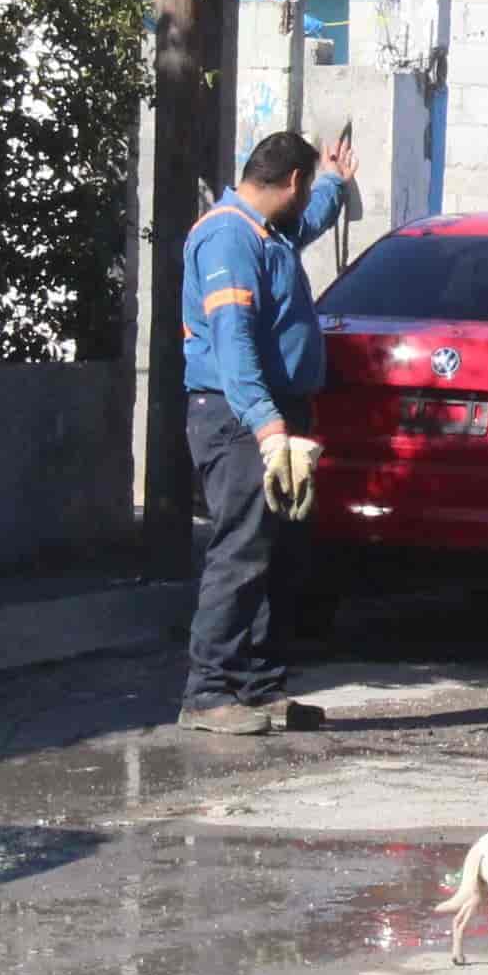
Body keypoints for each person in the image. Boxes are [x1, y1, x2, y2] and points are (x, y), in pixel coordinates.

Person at [179, 128, 359, 734]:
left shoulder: (267, 231)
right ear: (291, 183)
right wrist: (270, 429)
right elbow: (234, 346)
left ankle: (257, 686)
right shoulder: (229, 236)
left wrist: (333, 181)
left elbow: (306, 223)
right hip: (239, 417)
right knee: (240, 551)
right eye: (308, 189)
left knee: (275, 554)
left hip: (272, 414)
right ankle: (208, 692)